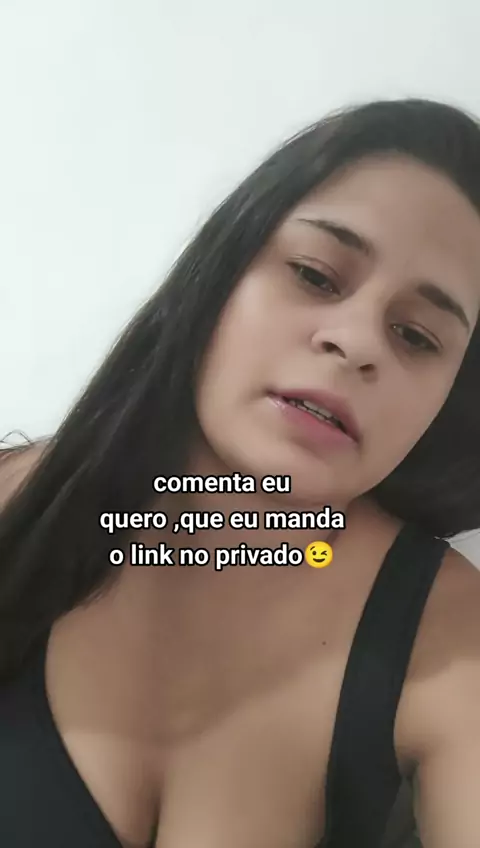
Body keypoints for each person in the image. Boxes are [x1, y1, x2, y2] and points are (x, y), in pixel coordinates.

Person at [1, 97, 480, 848]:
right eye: (316, 275)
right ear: (220, 273)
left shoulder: (452, 631)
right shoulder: (14, 500)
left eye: (417, 336)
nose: (358, 341)